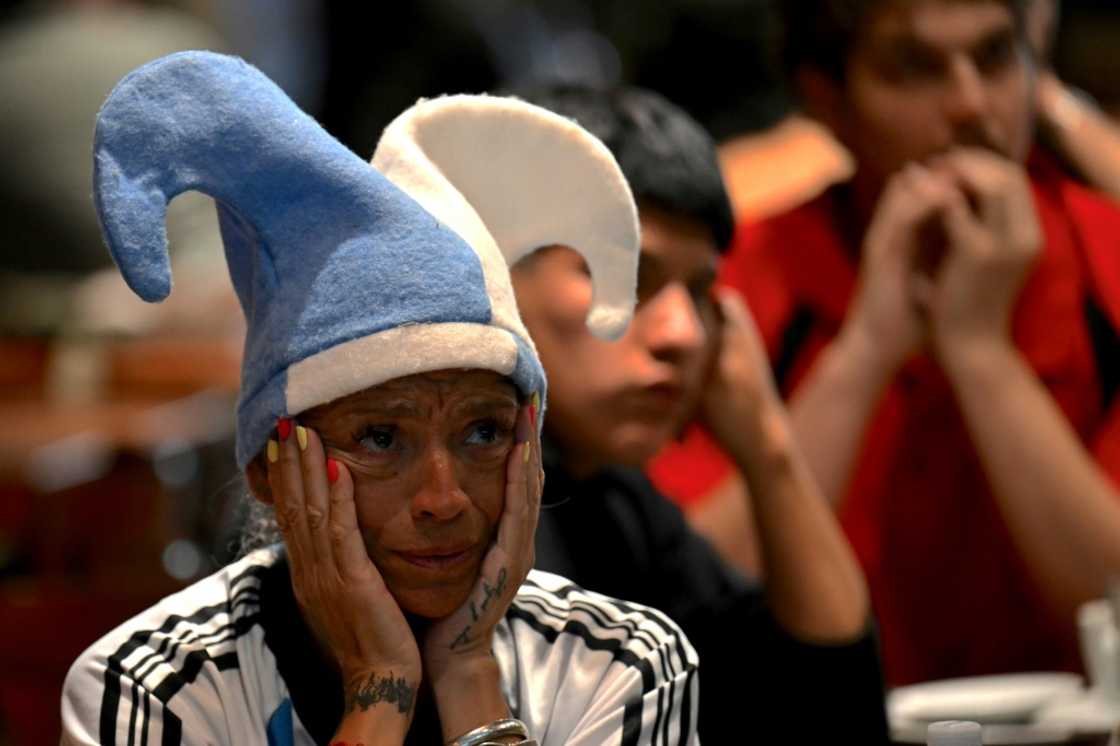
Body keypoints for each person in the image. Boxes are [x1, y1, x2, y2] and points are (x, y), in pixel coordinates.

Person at [61, 52, 698, 745]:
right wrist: (377, 689)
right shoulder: (152, 690)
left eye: (483, 432)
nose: (444, 498)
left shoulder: (620, 665)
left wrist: (468, 674)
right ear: (269, 471)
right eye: (380, 439)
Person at [654, 0, 1120, 686]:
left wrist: (980, 353)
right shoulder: (734, 280)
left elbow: (1112, 604)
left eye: (994, 58)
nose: (970, 106)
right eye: (914, 69)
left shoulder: (1103, 251)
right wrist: (867, 348)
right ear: (825, 100)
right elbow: (684, 618)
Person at [509, 85, 889, 743]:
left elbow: (831, 712)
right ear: (494, 270)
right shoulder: (448, 512)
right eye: (627, 277)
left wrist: (768, 448)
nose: (683, 331)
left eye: (703, 291)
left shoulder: (613, 501)